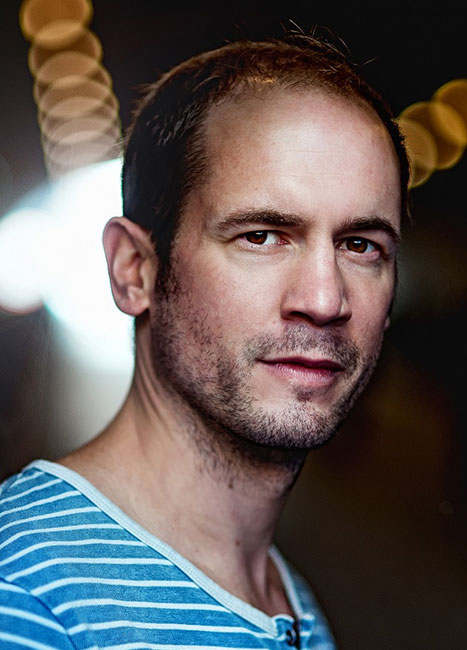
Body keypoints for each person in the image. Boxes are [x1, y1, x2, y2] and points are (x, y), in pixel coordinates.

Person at [0, 34, 408, 649]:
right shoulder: (26, 595)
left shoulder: (291, 604)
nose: (325, 300)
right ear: (134, 270)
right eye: (261, 236)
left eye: (360, 246)